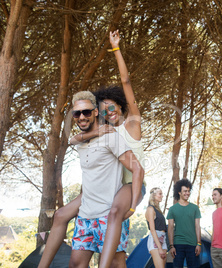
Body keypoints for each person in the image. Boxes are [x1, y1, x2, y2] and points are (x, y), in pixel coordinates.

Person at [38, 30, 145, 268]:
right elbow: (75, 138)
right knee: (62, 214)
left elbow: (126, 82)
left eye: (113, 107)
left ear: (121, 105)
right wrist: (95, 131)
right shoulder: (103, 133)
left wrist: (116, 49)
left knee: (117, 212)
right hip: (107, 187)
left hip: (130, 185)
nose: (110, 112)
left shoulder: (131, 125)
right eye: (104, 109)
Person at [68, 91, 144, 267]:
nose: (81, 116)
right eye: (77, 113)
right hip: (85, 216)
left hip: (108, 215)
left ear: (94, 112)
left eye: (86, 112)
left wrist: (132, 206)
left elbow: (137, 168)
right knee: (75, 264)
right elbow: (71, 140)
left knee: (115, 264)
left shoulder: (112, 136)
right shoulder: (81, 141)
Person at [167, 179, 202, 268]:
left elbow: (197, 226)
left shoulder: (195, 208)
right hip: (178, 245)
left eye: (189, 191)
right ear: (179, 192)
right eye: (185, 191)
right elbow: (170, 228)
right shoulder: (172, 209)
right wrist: (171, 246)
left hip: (193, 245)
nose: (187, 193)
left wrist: (199, 243)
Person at [145, 187, 168, 268]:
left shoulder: (158, 210)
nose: (162, 196)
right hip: (155, 240)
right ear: (153, 195)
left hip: (163, 238)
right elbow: (152, 229)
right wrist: (159, 248)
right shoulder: (150, 209)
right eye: (160, 194)